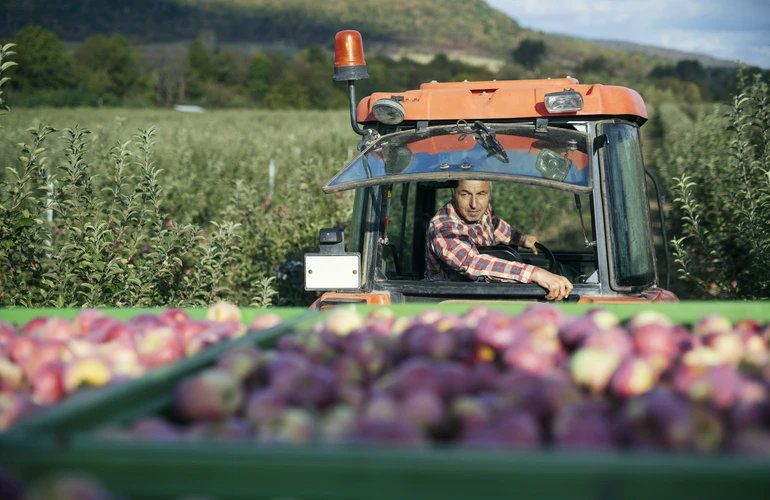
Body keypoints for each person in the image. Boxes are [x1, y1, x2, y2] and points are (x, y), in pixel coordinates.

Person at [424, 179, 573, 301]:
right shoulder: (442, 228)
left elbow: (494, 225)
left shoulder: (483, 210)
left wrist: (522, 239)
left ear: (489, 194)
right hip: (446, 300)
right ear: (453, 194)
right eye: (465, 194)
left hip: (483, 292)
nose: (474, 204)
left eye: (481, 194)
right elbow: (471, 262)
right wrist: (535, 273)